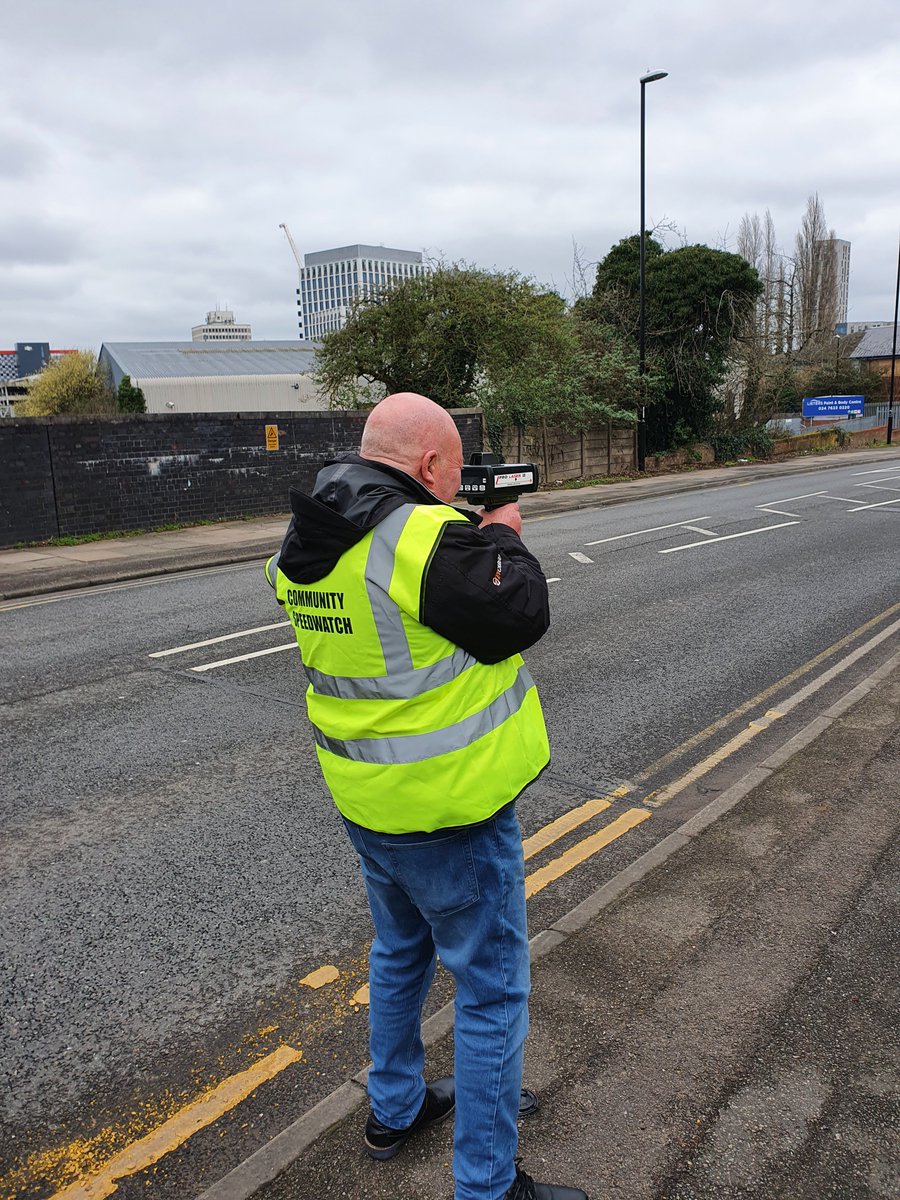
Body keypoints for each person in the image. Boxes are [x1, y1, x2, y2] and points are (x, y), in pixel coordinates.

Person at [266, 393, 587, 1200]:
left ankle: (396, 1107)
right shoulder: (421, 537)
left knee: (401, 952)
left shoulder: (306, 537)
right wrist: (502, 530)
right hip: (451, 812)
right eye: (450, 474)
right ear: (431, 466)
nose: (454, 490)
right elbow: (518, 610)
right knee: (492, 991)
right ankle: (486, 1185)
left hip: (369, 801)